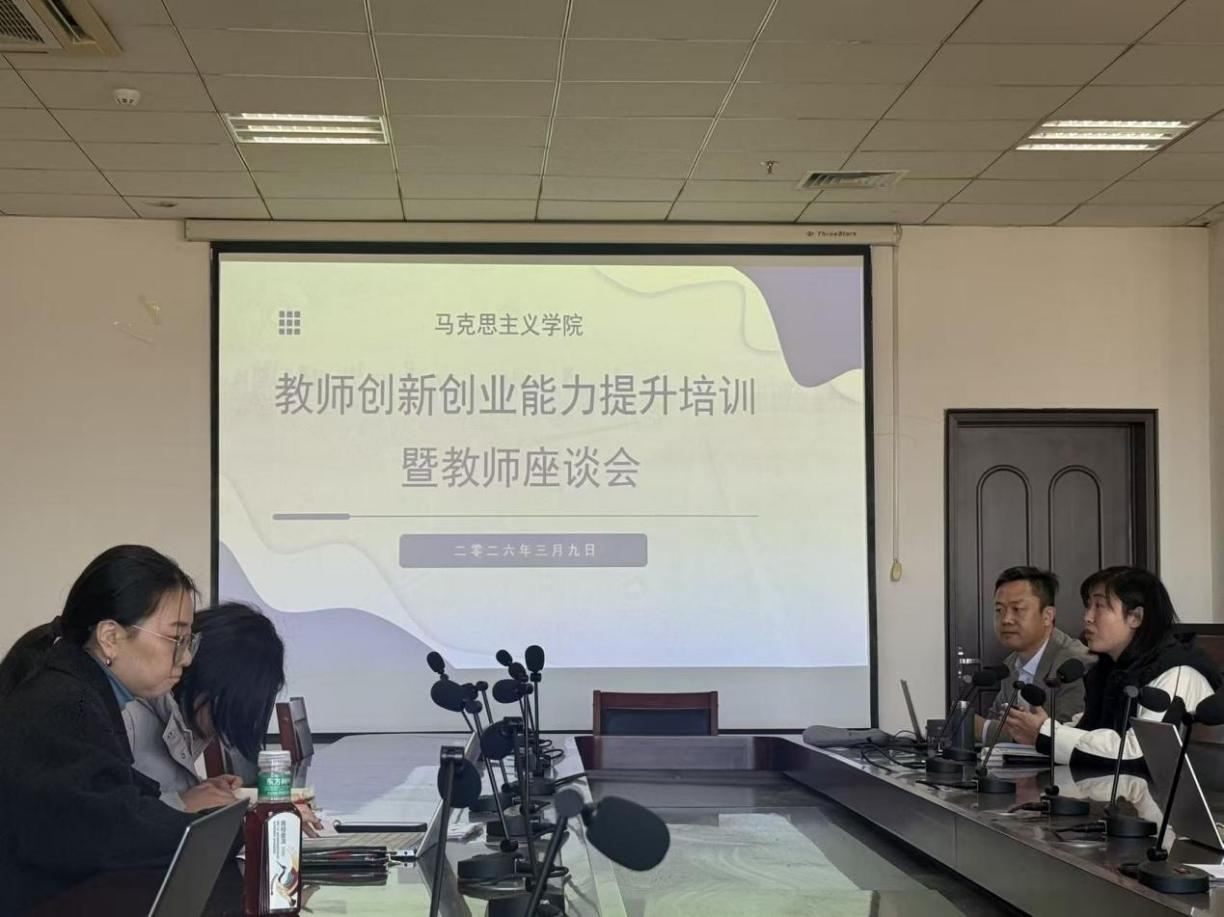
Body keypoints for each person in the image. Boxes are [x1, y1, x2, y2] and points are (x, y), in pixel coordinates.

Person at [0, 545, 238, 915]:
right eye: (176, 639)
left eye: (189, 641)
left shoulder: (81, 689)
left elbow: (117, 793)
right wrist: (227, 832)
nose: (187, 657)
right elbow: (110, 831)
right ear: (110, 637)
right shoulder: (64, 702)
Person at [1005, 566, 1222, 767]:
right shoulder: (1110, 669)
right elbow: (1092, 731)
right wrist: (1039, 730)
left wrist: (1048, 734)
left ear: (1136, 617)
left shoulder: (1177, 672)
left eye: (1099, 606)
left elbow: (1140, 754)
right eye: (1088, 606)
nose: (1087, 617)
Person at [124, 602, 285, 810]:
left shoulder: (180, 715)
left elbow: (154, 788)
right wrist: (183, 803)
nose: (218, 732)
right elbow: (102, 813)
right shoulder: (127, 716)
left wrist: (199, 788)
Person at [976, 566, 1090, 743]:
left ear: (1047, 616)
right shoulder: (1010, 663)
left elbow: (1068, 737)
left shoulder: (1075, 663)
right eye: (999, 610)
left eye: (1017, 609)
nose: (1006, 619)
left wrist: (983, 729)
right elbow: (997, 719)